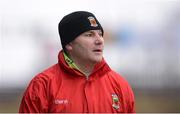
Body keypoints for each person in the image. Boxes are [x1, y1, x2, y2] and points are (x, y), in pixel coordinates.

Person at [19, 11, 135, 113]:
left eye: (100, 34)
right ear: (69, 44)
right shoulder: (42, 86)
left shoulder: (120, 85)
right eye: (89, 35)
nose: (99, 40)